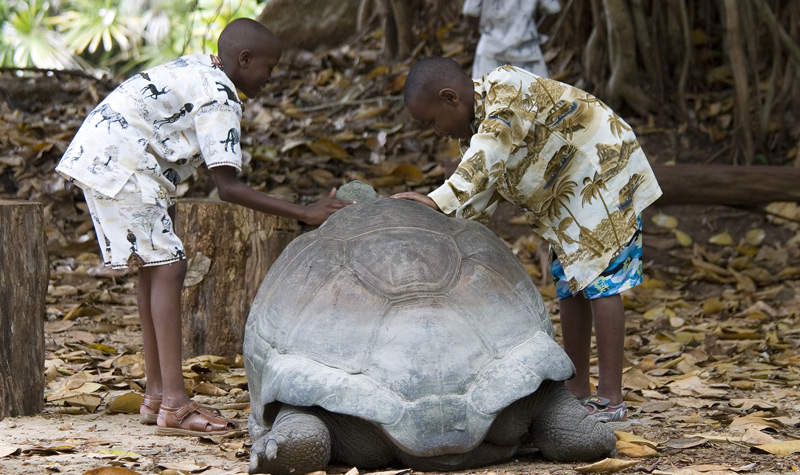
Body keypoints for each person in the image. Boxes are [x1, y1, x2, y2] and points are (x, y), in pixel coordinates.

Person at [55, 18, 350, 436]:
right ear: (244, 60)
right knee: (170, 266)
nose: (271, 77)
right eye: (269, 67)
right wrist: (303, 212)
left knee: (156, 266)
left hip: (107, 155)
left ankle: (157, 394)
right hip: (121, 165)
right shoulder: (221, 96)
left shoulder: (202, 69)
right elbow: (228, 187)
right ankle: (174, 405)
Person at [393, 57, 662, 422]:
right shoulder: (476, 130)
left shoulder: (506, 89)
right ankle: (576, 387)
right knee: (569, 285)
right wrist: (440, 226)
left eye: (431, 121)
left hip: (604, 171)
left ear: (450, 97)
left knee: (602, 282)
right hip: (569, 203)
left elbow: (488, 153)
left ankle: (612, 397)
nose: (436, 131)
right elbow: (477, 196)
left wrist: (437, 197)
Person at [463, 0, 561, 79]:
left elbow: (470, 12)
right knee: (537, 101)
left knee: (487, 100)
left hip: (490, 51)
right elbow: (553, 11)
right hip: (527, 52)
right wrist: (534, 33)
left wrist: (485, 33)